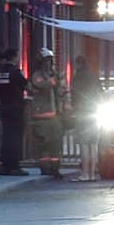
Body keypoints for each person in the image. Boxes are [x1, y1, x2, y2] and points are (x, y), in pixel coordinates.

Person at [0, 48, 29, 176]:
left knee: (6, 136)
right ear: (13, 57)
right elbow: (27, 86)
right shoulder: (15, 73)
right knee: (16, 138)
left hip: (4, 108)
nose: (18, 58)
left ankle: (4, 164)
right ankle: (14, 166)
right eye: (18, 56)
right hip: (16, 108)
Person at [28, 47, 64, 177]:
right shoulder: (37, 75)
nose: (48, 63)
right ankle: (45, 168)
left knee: (55, 143)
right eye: (46, 60)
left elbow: (59, 91)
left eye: (50, 60)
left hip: (53, 114)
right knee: (44, 144)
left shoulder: (52, 74)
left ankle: (55, 168)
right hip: (41, 115)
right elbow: (42, 85)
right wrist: (55, 80)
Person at [69, 55, 102, 181]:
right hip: (94, 113)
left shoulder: (77, 78)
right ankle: (93, 174)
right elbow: (101, 93)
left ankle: (85, 174)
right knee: (94, 144)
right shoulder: (94, 77)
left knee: (84, 144)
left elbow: (74, 95)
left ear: (78, 65)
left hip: (82, 113)